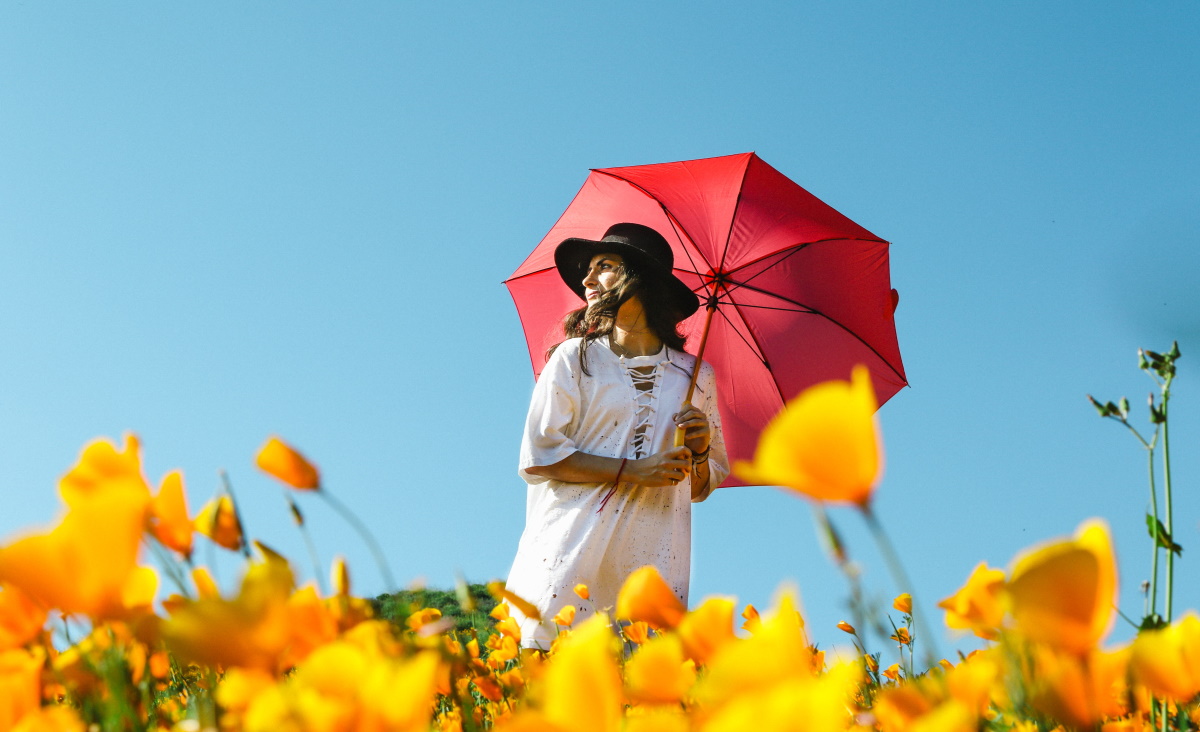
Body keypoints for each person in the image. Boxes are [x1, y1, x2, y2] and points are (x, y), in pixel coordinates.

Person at [504, 222, 729, 649]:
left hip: (653, 554)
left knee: (638, 692)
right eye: (588, 270)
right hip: (569, 546)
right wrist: (634, 471)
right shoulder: (576, 358)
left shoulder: (697, 377)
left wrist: (699, 452)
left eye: (604, 266)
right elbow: (540, 455)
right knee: (549, 679)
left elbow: (699, 487)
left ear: (641, 278)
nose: (587, 280)